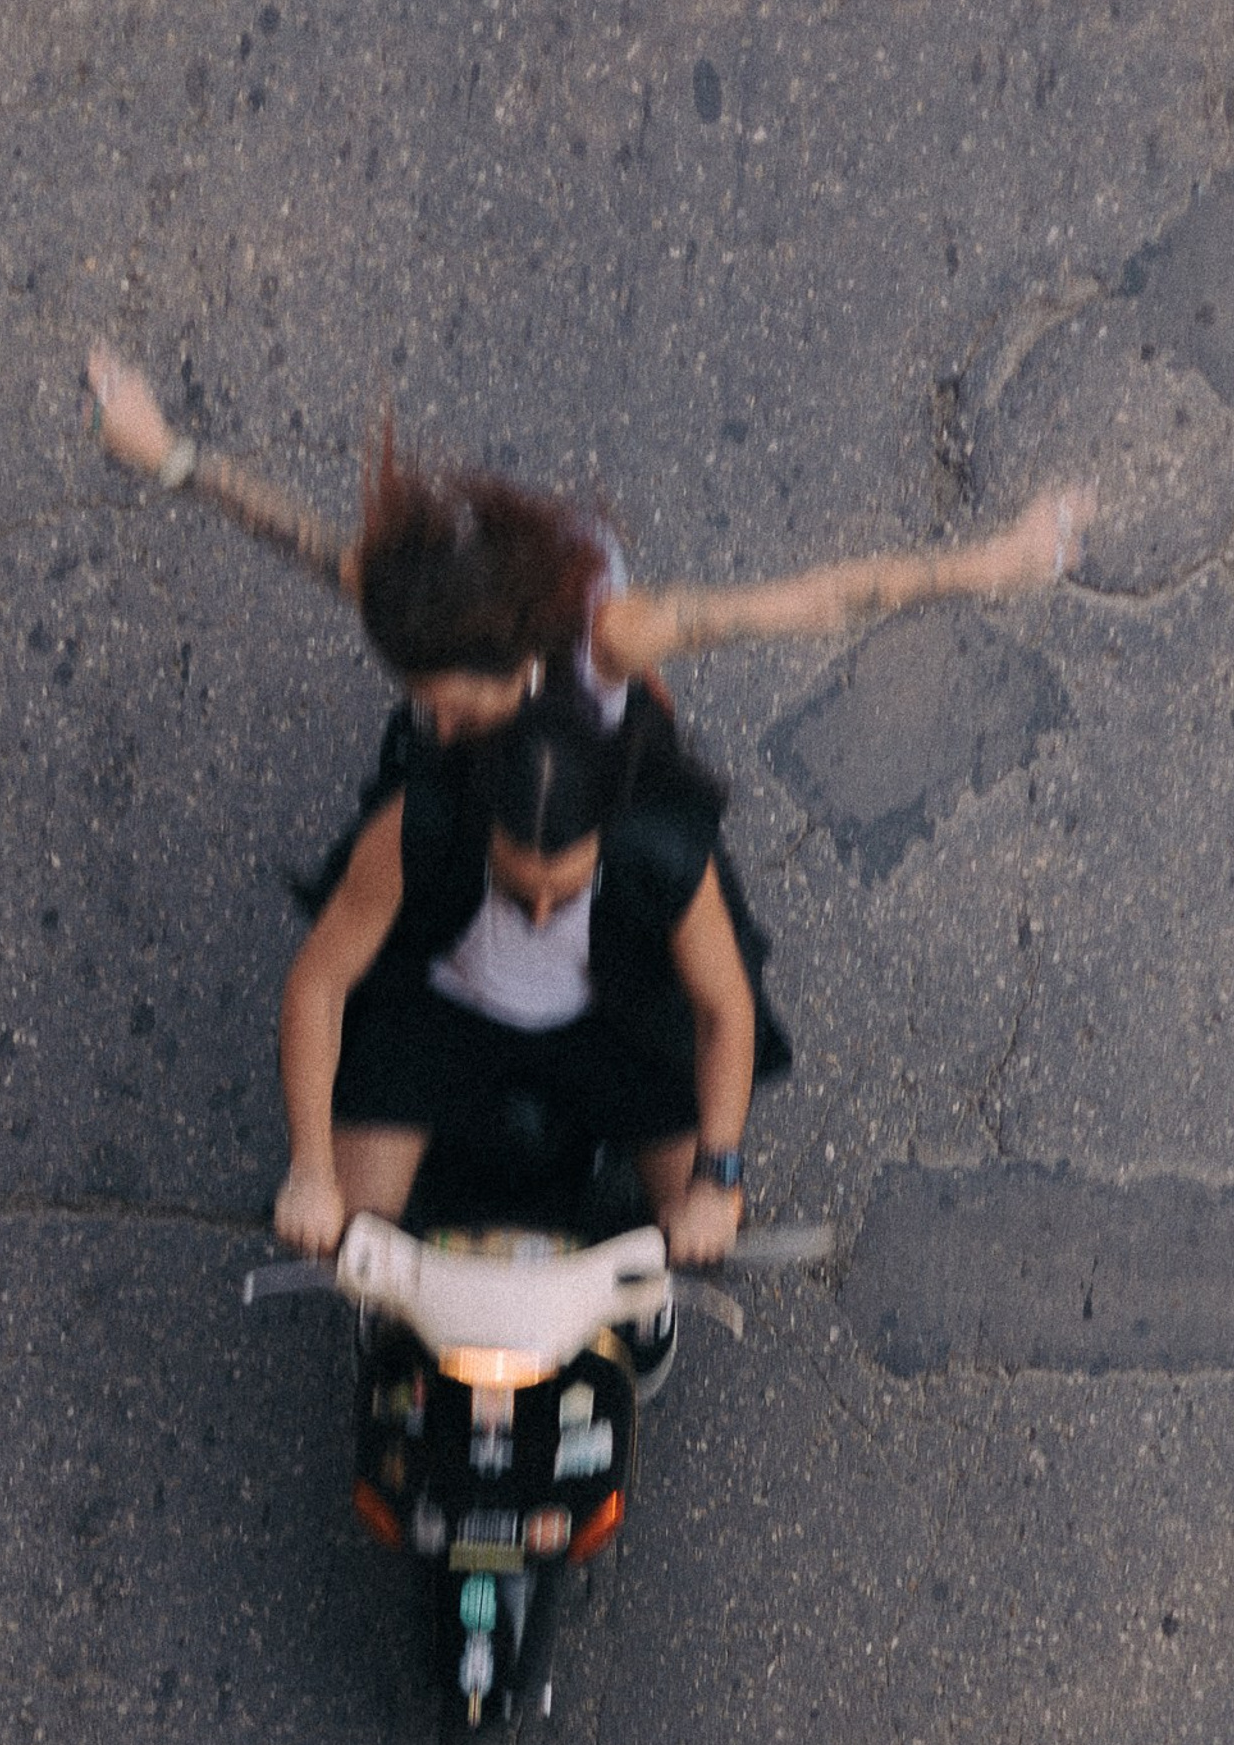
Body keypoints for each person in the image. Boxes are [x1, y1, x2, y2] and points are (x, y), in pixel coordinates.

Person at [81, 349, 1092, 745]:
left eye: (444, 698)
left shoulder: (613, 635)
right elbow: (295, 535)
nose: (431, 719)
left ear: (515, 661)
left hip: (590, 745)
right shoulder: (415, 605)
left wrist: (994, 563)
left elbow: (820, 600)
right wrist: (166, 453)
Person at [278, 695, 758, 1335]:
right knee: (358, 1224)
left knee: (700, 1214)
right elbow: (318, 984)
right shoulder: (414, 825)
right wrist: (309, 1174)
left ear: (607, 833)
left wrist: (716, 1180)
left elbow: (724, 1011)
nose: (536, 916)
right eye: (515, 889)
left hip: (615, 1023)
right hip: (443, 1017)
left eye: (560, 895)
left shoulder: (663, 848)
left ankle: (637, 1304)